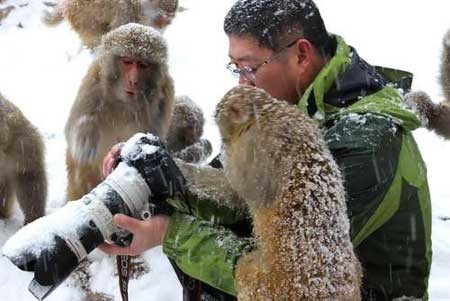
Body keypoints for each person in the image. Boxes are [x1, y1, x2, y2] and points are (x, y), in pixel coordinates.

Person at [100, 0, 432, 300]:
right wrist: (163, 172)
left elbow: (287, 278)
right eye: (235, 68)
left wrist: (169, 233)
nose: (242, 83)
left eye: (249, 67)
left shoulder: (365, 145)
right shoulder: (286, 103)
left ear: (301, 55)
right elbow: (235, 188)